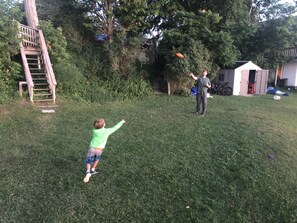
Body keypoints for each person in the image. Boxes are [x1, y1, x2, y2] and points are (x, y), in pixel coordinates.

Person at [83, 118, 126, 183]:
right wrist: (121, 122)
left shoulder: (95, 130)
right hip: (99, 149)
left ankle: (88, 171)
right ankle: (93, 169)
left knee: (89, 160)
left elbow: (99, 127)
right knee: (97, 159)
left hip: (92, 148)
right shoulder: (107, 131)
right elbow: (115, 128)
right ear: (104, 125)